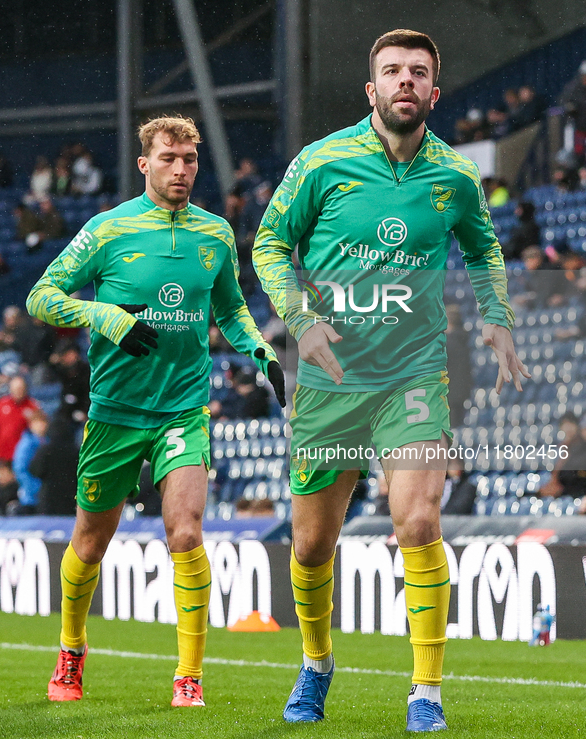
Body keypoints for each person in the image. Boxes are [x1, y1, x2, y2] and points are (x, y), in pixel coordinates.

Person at [253, 28, 528, 732]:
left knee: (417, 519)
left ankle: (425, 690)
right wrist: (299, 317)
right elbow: (268, 244)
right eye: (391, 71)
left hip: (412, 375)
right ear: (369, 89)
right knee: (312, 544)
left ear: (433, 93)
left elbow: (483, 247)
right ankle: (316, 663)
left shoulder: (455, 178)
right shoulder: (321, 162)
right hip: (329, 380)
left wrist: (496, 316)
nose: (404, 80)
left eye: (417, 72)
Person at [26, 115, 284, 708]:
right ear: (145, 164)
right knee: (89, 542)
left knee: (187, 533)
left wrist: (262, 351)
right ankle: (71, 650)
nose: (182, 169)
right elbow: (43, 295)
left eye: (190, 159)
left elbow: (231, 311)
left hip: (183, 409)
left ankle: (188, 675)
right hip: (115, 411)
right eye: (170, 158)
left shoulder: (216, 235)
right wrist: (105, 317)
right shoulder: (107, 230)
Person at [0, 375, 40, 465]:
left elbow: (38, 430)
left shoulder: (32, 406)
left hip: (22, 456)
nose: (18, 391)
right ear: (10, 389)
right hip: (1, 455)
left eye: (20, 388)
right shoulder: (2, 404)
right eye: (16, 388)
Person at [12, 410, 48, 514]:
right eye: (37, 422)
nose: (41, 425)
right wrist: (34, 488)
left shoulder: (47, 442)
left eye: (43, 422)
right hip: (30, 496)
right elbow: (20, 468)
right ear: (31, 425)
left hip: (44, 495)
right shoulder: (26, 444)